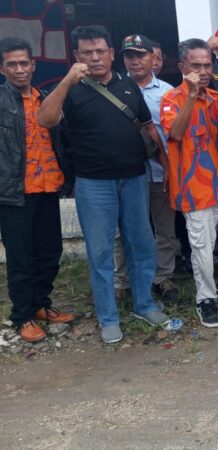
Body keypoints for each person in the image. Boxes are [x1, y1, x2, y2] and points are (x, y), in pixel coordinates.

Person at [38, 26, 175, 343]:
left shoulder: (128, 86)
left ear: (112, 54)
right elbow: (45, 119)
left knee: (141, 245)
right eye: (88, 52)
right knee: (100, 253)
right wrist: (67, 81)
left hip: (134, 179)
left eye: (101, 51)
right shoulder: (70, 89)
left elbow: (147, 127)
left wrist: (167, 166)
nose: (95, 57)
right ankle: (108, 317)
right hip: (93, 184)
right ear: (77, 56)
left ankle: (144, 305)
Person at [160, 39, 218, 328]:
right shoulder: (171, 99)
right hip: (195, 190)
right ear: (182, 67)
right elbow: (176, 132)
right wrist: (190, 96)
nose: (203, 71)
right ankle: (205, 299)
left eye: (207, 65)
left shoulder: (216, 98)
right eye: (196, 66)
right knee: (203, 249)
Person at [0, 37, 75, 343]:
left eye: (24, 63)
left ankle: (41, 304)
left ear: (33, 65)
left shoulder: (46, 98)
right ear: (2, 68)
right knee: (21, 258)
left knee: (49, 252)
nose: (19, 69)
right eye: (12, 64)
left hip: (48, 187)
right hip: (15, 192)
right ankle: (23, 316)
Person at [115, 34, 179, 304]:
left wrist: (172, 167)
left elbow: (174, 134)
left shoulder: (168, 92)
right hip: (127, 173)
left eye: (141, 55)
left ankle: (162, 277)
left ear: (153, 58)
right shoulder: (114, 88)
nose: (135, 61)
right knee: (125, 229)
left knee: (164, 229)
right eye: (129, 56)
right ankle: (123, 281)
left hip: (161, 171)